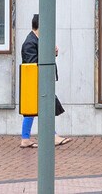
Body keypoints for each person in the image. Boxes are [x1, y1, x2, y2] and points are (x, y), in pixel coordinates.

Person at [19, 13, 69, 149]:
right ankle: (51, 136)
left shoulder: (37, 40)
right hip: (35, 81)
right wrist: (48, 54)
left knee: (34, 110)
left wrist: (52, 53)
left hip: (38, 81)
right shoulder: (30, 42)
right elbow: (32, 63)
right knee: (41, 108)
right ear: (39, 26)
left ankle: (26, 138)